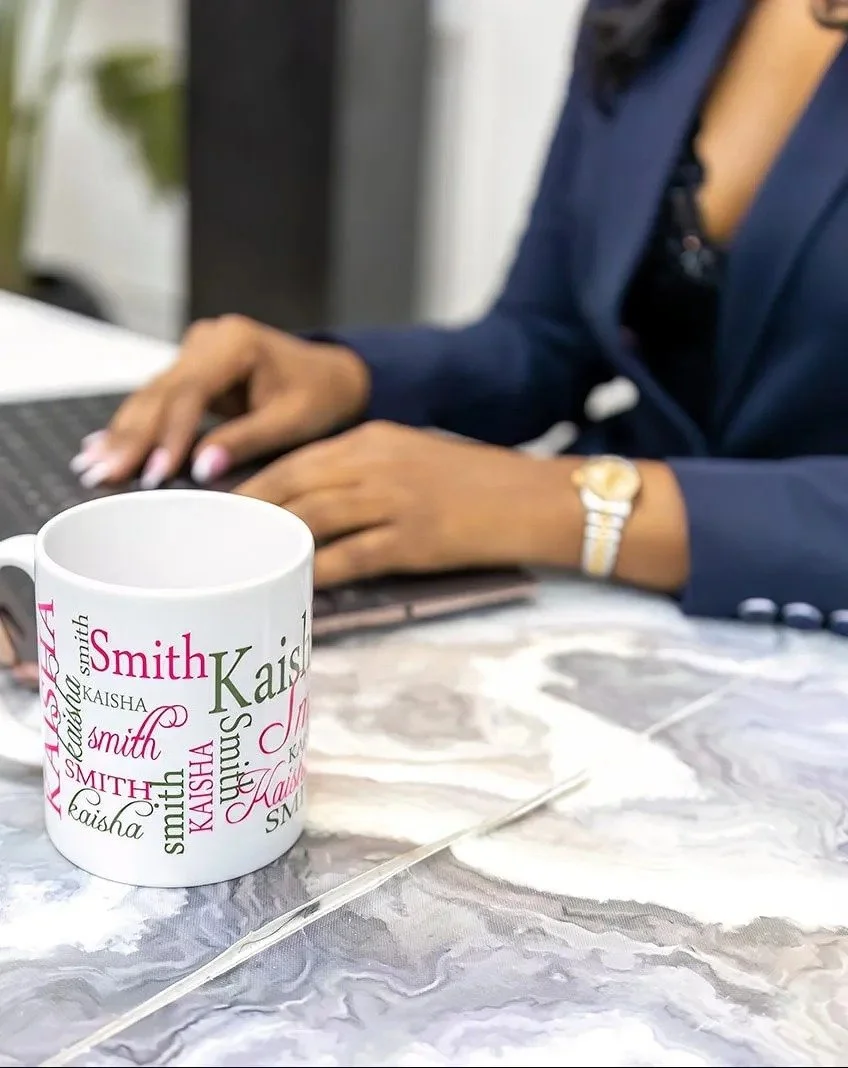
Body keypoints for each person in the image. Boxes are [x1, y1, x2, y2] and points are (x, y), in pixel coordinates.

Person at [71, 0, 848, 631]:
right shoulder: (658, 12)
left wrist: (566, 504)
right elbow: (546, 337)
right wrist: (343, 376)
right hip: (598, 624)